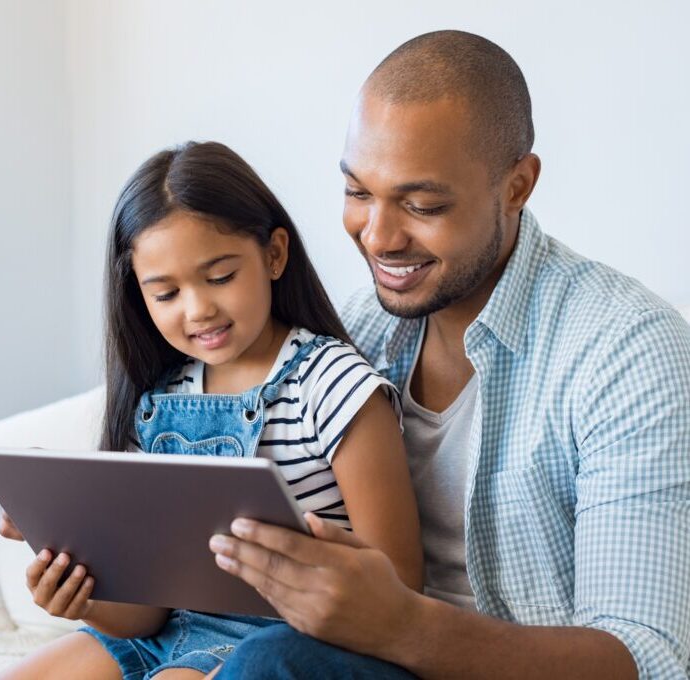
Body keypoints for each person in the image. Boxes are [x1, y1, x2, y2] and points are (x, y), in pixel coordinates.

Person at [205, 30, 690, 679]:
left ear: (517, 186)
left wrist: (404, 626)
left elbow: (651, 658)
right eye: (357, 192)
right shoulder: (358, 331)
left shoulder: (627, 351)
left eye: (422, 204)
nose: (378, 236)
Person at [0, 141, 423, 680]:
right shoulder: (157, 400)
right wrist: (83, 596)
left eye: (220, 277)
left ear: (274, 255)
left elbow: (402, 587)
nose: (198, 309)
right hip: (170, 637)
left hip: (292, 641)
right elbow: (147, 615)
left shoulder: (333, 385)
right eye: (166, 293)